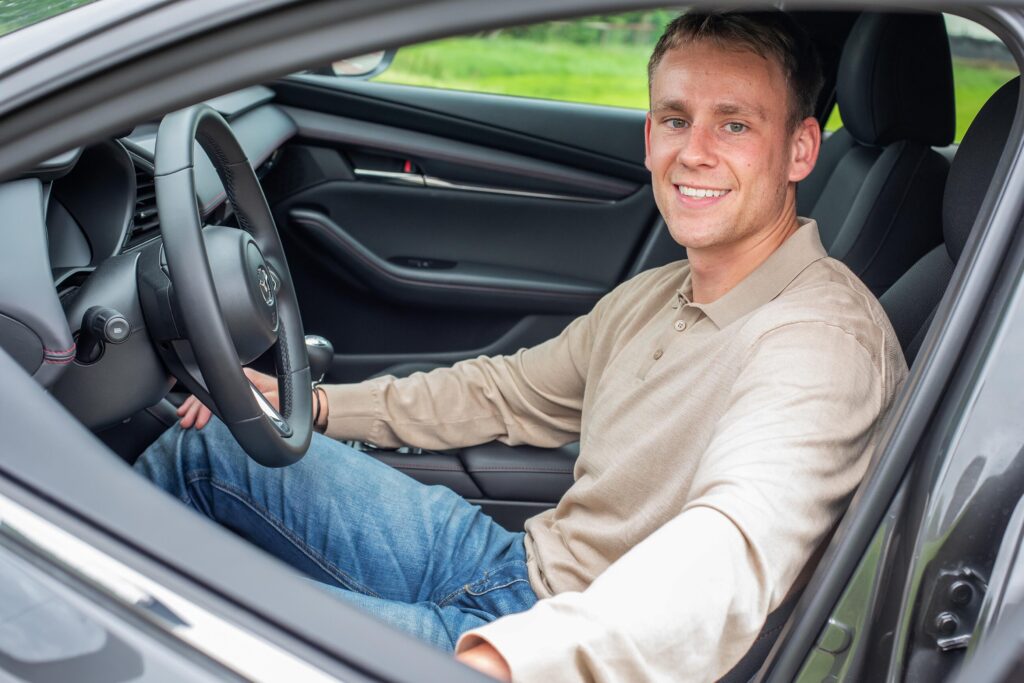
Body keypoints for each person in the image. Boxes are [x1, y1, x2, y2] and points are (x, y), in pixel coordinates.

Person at [136, 11, 907, 682]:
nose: (695, 152)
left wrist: (506, 661)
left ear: (801, 149)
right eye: (676, 119)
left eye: (734, 124)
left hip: (564, 645)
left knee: (162, 617)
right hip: (512, 566)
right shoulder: (660, 292)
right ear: (648, 136)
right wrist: (320, 403)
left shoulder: (819, 344)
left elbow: (731, 548)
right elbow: (504, 392)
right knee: (209, 450)